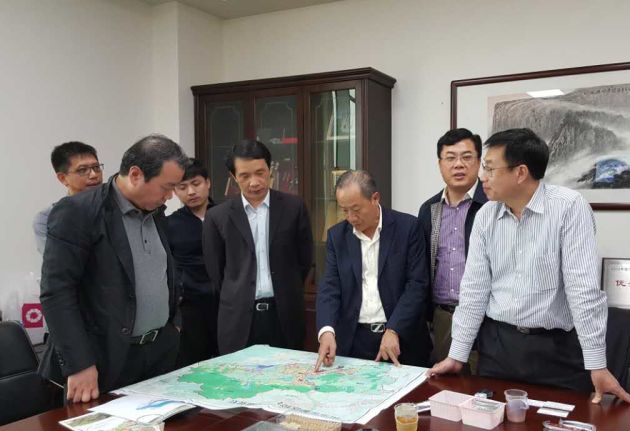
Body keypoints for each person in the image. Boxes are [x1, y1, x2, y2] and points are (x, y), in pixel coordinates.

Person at [428, 128, 630, 405]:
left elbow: (582, 290)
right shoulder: (486, 215)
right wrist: (457, 355)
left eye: (490, 168)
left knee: (556, 425)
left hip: (557, 350)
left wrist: (597, 364)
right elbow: (474, 290)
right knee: (493, 424)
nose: (483, 177)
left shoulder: (568, 208)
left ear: (520, 173)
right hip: (498, 348)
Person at [39, 134, 188, 403]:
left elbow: (166, 270)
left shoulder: (156, 211)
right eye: (166, 187)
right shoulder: (78, 212)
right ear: (136, 175)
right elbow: (57, 293)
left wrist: (173, 324)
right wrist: (79, 363)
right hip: (104, 360)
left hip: (158, 353)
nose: (170, 196)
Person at [203, 140, 312, 355]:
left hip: (284, 316)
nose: (254, 182)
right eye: (245, 176)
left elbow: (304, 260)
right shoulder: (217, 216)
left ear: (270, 170)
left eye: (260, 173)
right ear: (234, 177)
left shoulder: (294, 207)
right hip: (238, 319)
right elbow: (216, 270)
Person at [315, 170, 431, 370]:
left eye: (356, 209)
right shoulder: (337, 236)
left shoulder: (408, 228)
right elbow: (329, 287)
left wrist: (394, 329)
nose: (350, 217)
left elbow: (417, 285)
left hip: (401, 340)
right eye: (344, 210)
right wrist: (326, 331)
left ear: (375, 198)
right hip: (354, 341)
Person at [417, 128, 487, 368]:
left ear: (479, 161)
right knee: (446, 383)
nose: (458, 164)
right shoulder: (429, 209)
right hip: (442, 316)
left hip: (485, 317)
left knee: (482, 383)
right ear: (440, 164)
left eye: (466, 157)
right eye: (450, 158)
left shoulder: (492, 206)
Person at [167, 158, 218, 366]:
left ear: (208, 182)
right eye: (182, 187)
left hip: (227, 304)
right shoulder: (170, 224)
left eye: (196, 184)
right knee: (192, 367)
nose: (191, 192)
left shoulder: (227, 215)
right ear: (175, 190)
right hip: (190, 306)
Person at [33, 141, 103, 254]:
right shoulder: (46, 218)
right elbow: (56, 260)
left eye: (96, 167)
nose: (94, 175)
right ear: (63, 178)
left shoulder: (116, 206)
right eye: (82, 170)